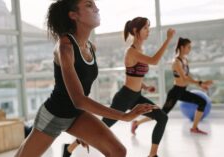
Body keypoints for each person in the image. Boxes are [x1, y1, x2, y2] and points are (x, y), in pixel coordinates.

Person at [15, 1, 155, 157]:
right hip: (54, 115)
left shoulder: (90, 47)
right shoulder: (65, 47)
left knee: (118, 151)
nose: (97, 8)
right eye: (89, 5)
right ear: (73, 15)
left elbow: (81, 96)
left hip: (76, 115)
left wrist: (84, 132)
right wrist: (124, 116)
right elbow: (79, 99)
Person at [62, 17, 175, 157]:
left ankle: (152, 155)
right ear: (135, 30)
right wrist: (168, 39)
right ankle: (69, 148)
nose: (148, 31)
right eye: (145, 28)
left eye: (149, 27)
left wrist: (145, 87)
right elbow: (154, 60)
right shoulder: (131, 52)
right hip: (125, 97)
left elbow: (133, 74)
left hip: (136, 96)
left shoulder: (140, 49)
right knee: (102, 128)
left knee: (162, 117)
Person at [131, 37, 213, 135]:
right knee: (162, 113)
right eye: (188, 47)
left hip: (182, 91)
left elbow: (188, 76)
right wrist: (200, 83)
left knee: (202, 102)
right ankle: (137, 123)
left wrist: (200, 85)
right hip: (175, 92)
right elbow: (184, 78)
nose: (190, 49)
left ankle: (194, 128)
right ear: (182, 47)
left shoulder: (185, 60)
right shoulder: (176, 62)